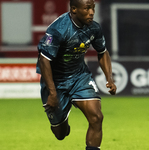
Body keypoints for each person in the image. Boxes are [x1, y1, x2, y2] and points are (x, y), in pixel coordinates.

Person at [36, 0, 117, 150]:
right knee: (60, 134)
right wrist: (52, 93)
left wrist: (109, 79)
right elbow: (44, 60)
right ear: (74, 9)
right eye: (87, 9)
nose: (91, 12)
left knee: (96, 117)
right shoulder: (58, 29)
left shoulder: (94, 28)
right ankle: (63, 121)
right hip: (55, 82)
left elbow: (102, 52)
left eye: (93, 8)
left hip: (80, 77)